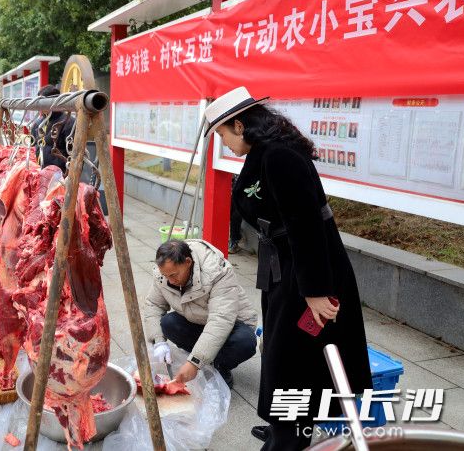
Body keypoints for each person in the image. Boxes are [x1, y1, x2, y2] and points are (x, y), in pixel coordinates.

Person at [209, 87, 371, 450]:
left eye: (223, 134)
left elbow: (305, 224)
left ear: (240, 124)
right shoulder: (265, 152)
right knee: (286, 351)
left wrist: (315, 290)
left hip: (309, 269)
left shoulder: (279, 156)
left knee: (294, 355)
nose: (224, 143)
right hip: (286, 264)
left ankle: (290, 435)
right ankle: (284, 425)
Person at [143, 239, 258, 389]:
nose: (170, 280)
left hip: (232, 325)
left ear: (188, 262)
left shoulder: (218, 272)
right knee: (168, 323)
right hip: (197, 321)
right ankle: (204, 356)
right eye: (166, 276)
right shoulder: (163, 275)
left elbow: (220, 320)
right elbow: (154, 305)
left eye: (174, 275)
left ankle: (220, 365)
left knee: (245, 342)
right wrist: (158, 341)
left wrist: (195, 362)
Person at [30, 84, 74, 171]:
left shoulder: (68, 122)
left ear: (54, 102)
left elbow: (74, 155)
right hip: (39, 172)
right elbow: (33, 147)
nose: (40, 107)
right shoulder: (37, 123)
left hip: (60, 174)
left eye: (42, 103)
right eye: (38, 103)